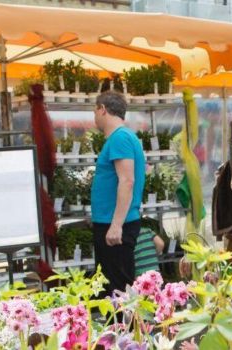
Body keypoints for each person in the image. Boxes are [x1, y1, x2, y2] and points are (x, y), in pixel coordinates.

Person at [90, 91, 146, 296]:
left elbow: (127, 181)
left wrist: (116, 225)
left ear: (103, 110)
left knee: (117, 291)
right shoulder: (121, 137)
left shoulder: (120, 138)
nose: (94, 116)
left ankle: (125, 319)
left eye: (95, 111)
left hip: (115, 227)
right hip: (111, 223)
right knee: (112, 289)